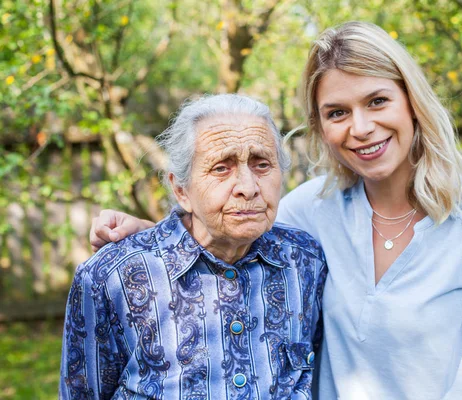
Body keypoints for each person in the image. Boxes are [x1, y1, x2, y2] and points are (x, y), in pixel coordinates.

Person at [89, 22, 462, 399]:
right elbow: (225, 241)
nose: (360, 128)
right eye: (337, 112)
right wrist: (151, 233)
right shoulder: (310, 208)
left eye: (377, 101)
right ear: (320, 127)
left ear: (411, 101)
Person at [61, 94, 327, 399]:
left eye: (262, 164)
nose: (248, 187)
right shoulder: (111, 278)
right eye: (221, 168)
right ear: (180, 189)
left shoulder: (305, 260)